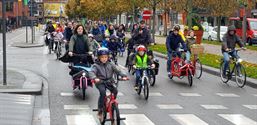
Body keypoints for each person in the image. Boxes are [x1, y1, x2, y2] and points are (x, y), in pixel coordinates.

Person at [90, 47, 128, 120]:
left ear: (108, 57)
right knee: (103, 92)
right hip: (100, 82)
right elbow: (92, 72)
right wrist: (94, 78)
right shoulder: (96, 65)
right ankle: (100, 110)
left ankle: (112, 104)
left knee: (115, 91)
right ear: (98, 58)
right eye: (102, 57)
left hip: (109, 81)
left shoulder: (111, 64)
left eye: (105, 57)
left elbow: (118, 71)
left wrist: (124, 76)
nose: (104, 59)